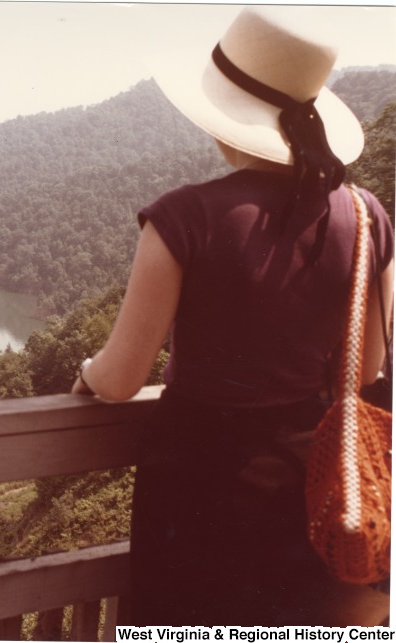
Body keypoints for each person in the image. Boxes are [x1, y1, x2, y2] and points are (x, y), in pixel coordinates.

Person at [71, 7, 394, 626]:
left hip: (197, 486)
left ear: (225, 118)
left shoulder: (182, 218)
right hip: (311, 487)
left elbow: (119, 379)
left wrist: (88, 369)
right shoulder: (367, 213)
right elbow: (367, 369)